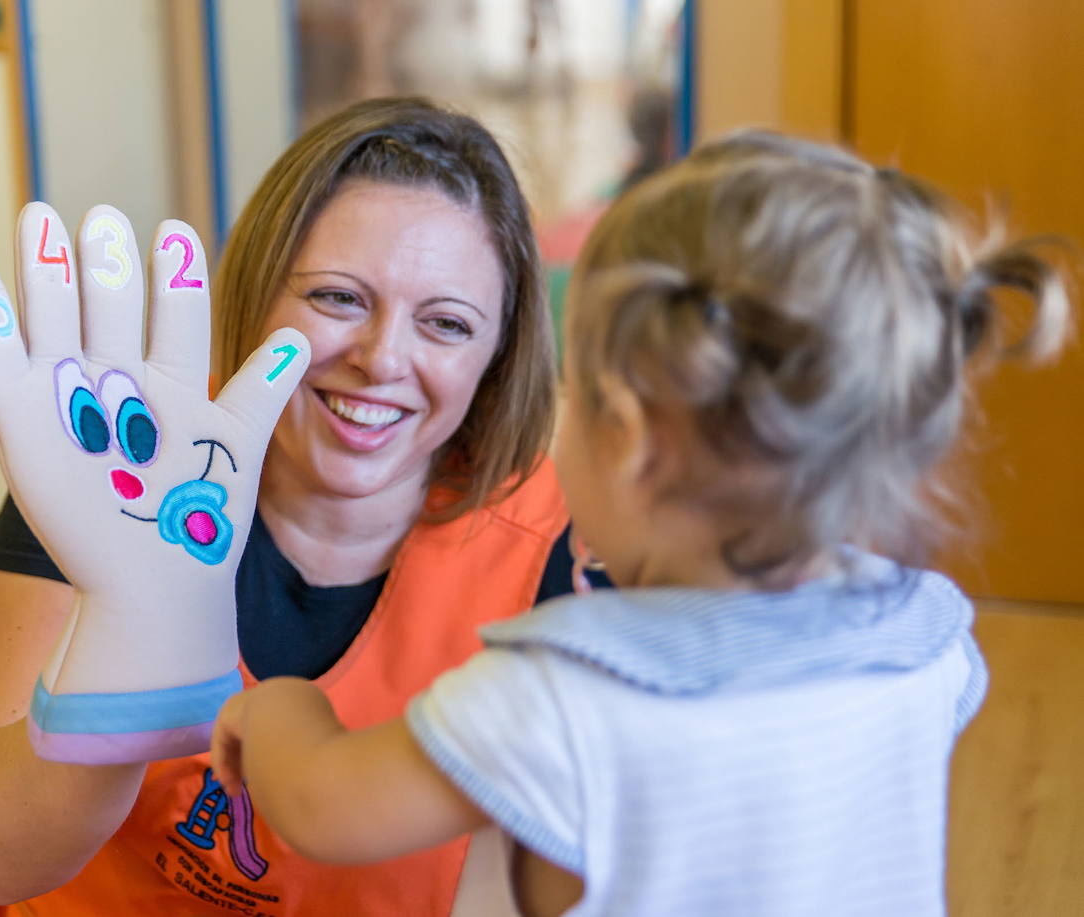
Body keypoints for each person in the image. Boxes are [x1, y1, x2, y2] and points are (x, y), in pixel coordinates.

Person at [0, 94, 599, 917]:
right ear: (259, 292)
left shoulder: (564, 548)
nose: (382, 358)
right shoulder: (120, 457)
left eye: (446, 323)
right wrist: (131, 632)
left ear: (497, 355)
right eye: (337, 297)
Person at [208, 131, 1072, 916]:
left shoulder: (561, 693)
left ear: (624, 433)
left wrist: (281, 711)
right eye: (340, 297)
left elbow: (321, 805)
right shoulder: (929, 639)